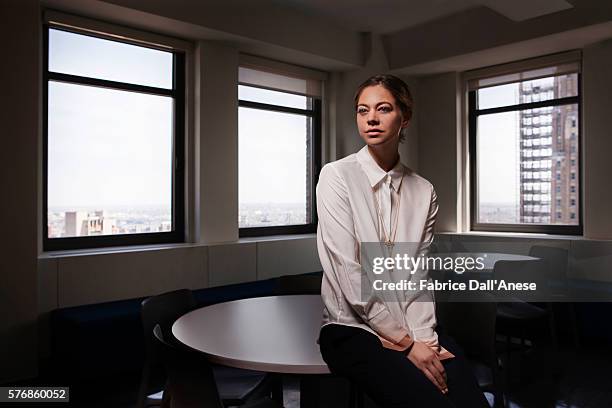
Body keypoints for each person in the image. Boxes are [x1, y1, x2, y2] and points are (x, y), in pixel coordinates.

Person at [316, 74, 489, 408]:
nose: (371, 118)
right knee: (431, 401)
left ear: (404, 117)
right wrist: (408, 346)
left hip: (413, 326)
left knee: (470, 399)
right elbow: (351, 278)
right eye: (362, 110)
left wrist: (425, 341)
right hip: (353, 330)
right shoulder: (336, 176)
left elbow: (418, 275)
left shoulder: (423, 191)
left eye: (383, 108)